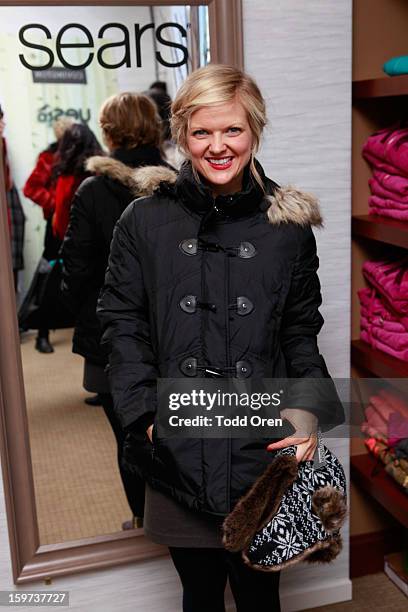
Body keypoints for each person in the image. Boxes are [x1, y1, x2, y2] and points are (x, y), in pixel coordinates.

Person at [97, 65, 345, 612]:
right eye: (201, 132)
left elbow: (301, 330)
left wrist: (305, 414)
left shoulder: (289, 227)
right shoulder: (143, 220)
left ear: (254, 130)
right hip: (177, 445)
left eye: (232, 130)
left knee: (260, 593)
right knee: (200, 592)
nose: (217, 146)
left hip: (259, 443)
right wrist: (144, 417)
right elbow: (123, 324)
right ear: (182, 134)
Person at [60, 92, 174, 520]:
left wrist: (89, 312)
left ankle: (145, 519)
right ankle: (179, 522)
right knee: (177, 434)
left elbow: (75, 267)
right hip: (172, 336)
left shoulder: (92, 189)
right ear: (156, 128)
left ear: (107, 132)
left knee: (128, 436)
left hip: (110, 338)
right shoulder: (180, 182)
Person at [23, 117, 74, 353]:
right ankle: (41, 334)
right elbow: (31, 188)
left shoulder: (83, 155)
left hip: (79, 225)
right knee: (51, 279)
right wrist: (56, 204)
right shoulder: (48, 158)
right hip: (55, 228)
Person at [52, 122, 103, 242]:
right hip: (103, 247)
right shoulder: (103, 173)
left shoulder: (64, 179)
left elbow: (60, 227)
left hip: (75, 248)